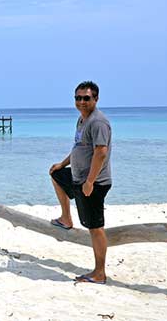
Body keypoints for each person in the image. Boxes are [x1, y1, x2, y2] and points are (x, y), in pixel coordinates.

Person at [49, 81, 112, 284]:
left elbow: (101, 152)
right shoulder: (82, 120)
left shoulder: (98, 122)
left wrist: (90, 181)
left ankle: (100, 273)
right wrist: (62, 164)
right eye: (78, 98)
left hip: (94, 182)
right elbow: (79, 147)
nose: (82, 102)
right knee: (56, 175)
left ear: (96, 99)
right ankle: (66, 218)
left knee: (95, 227)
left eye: (86, 98)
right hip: (78, 178)